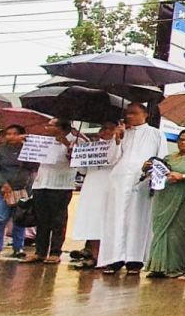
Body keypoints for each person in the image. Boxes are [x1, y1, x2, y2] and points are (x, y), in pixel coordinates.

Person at [99, 103, 169, 274]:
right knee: (116, 218)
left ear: (145, 114)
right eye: (127, 113)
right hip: (119, 180)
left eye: (134, 113)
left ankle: (134, 260)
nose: (129, 116)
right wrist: (117, 140)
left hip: (141, 181)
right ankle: (114, 259)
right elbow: (111, 159)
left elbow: (162, 159)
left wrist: (153, 176)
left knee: (138, 219)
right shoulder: (122, 133)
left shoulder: (156, 133)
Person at [145, 129, 185, 278]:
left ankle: (175, 268)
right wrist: (147, 168)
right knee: (160, 233)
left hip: (183, 201)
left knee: (178, 235)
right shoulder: (168, 158)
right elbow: (157, 174)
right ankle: (158, 267)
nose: (183, 142)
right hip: (163, 199)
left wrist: (183, 176)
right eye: (181, 139)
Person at [16, 119, 74, 264]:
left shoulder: (75, 141)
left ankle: (55, 252)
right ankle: (40, 252)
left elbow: (76, 162)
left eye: (50, 125)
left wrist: (67, 145)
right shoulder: (44, 141)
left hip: (60, 185)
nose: (46, 128)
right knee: (41, 220)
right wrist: (27, 145)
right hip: (41, 184)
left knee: (58, 220)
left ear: (61, 128)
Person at [71, 120, 122, 269]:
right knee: (91, 221)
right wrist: (75, 154)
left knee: (107, 222)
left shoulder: (121, 145)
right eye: (104, 128)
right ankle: (94, 255)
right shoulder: (91, 146)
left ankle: (107, 258)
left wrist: (117, 141)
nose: (106, 131)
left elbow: (114, 160)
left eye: (110, 128)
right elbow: (82, 170)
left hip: (109, 186)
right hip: (91, 187)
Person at [0, 125, 32, 258]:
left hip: (22, 188)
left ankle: (18, 248)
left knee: (20, 219)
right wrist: (3, 183)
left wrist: (26, 147)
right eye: (8, 134)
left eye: (15, 134)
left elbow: (33, 167)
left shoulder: (29, 150)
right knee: (1, 218)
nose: (11, 136)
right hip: (3, 189)